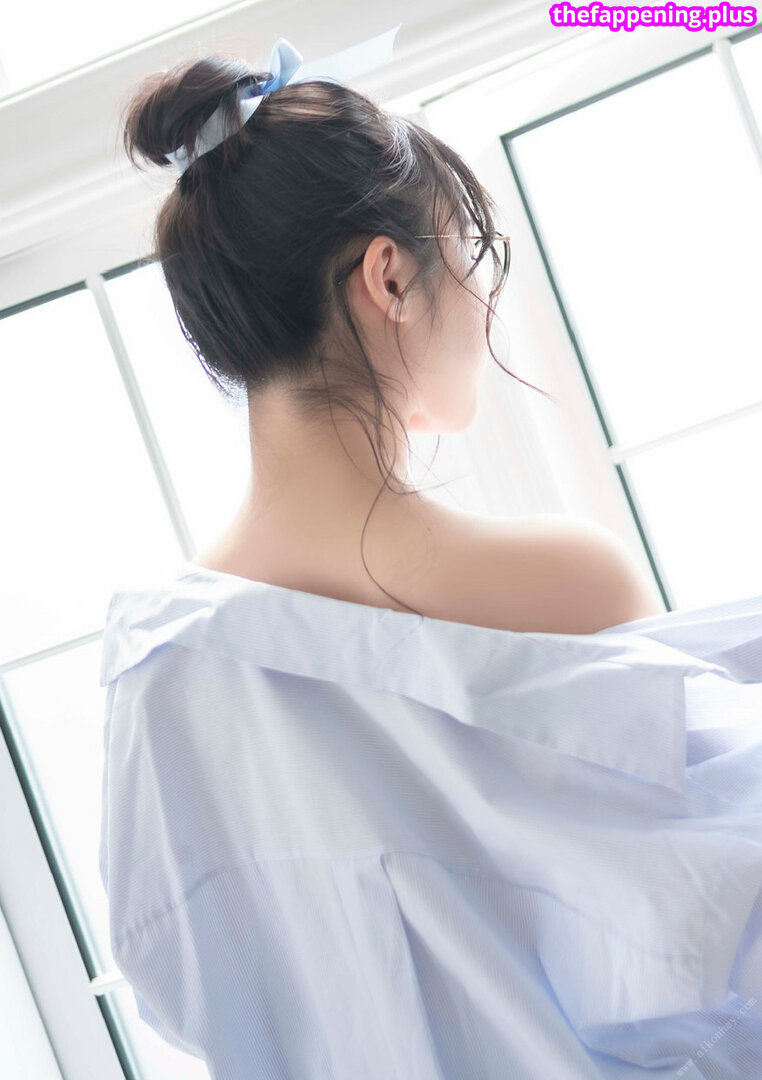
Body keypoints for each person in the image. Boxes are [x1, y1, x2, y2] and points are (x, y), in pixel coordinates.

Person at [99, 31, 762, 1080]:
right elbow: (704, 932)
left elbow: (203, 1002)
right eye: (472, 255)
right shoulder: (564, 581)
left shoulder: (156, 684)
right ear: (390, 275)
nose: (486, 298)